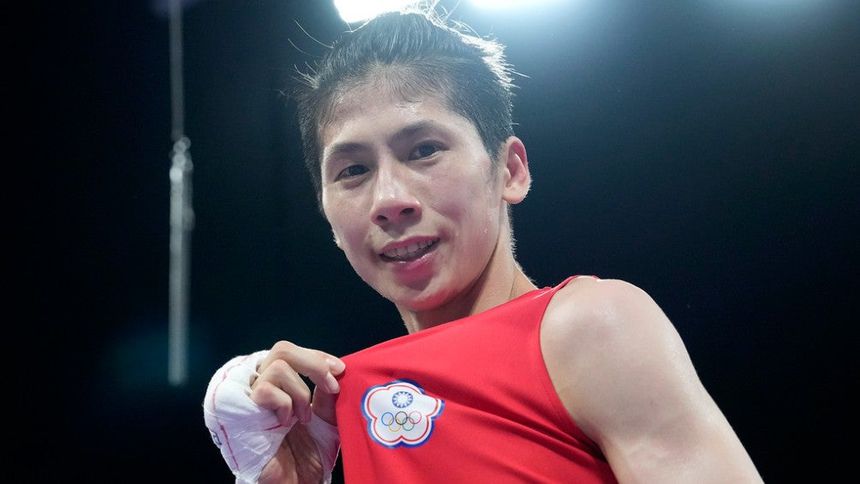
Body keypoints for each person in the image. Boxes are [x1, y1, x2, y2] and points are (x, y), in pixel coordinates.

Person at [203, 10, 763, 484]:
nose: (389, 200)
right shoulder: (361, 411)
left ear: (510, 170)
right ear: (326, 213)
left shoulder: (590, 327)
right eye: (353, 170)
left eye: (424, 150)